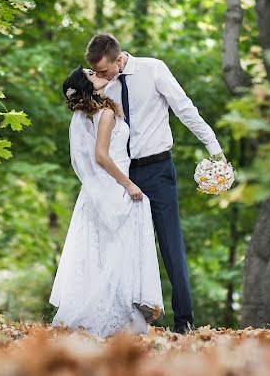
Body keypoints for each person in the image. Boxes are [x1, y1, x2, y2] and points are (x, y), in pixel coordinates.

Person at [86, 33, 225, 334]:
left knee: (171, 246)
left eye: (104, 71)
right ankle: (126, 321)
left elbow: (184, 109)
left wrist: (214, 147)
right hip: (122, 176)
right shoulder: (101, 84)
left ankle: (183, 322)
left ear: (119, 59)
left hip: (158, 170)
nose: (99, 76)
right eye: (95, 72)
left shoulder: (153, 70)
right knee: (125, 248)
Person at [48, 66, 164, 337]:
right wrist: (129, 184)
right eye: (90, 73)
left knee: (100, 254)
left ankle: (114, 314)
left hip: (96, 191)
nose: (96, 72)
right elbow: (101, 156)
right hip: (114, 186)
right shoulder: (107, 113)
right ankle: (120, 317)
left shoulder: (90, 114)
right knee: (119, 252)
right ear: (88, 85)